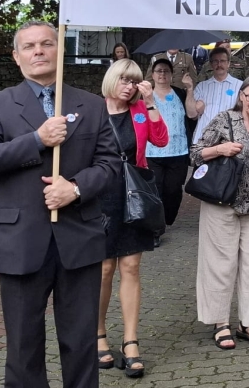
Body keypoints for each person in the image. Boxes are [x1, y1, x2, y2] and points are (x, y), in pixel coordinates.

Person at [0, 21, 117, 388]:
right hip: (20, 241)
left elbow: (111, 165)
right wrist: (36, 139)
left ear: (59, 51)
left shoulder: (91, 105)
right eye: (29, 46)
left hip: (79, 237)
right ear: (17, 57)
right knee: (23, 345)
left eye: (47, 44)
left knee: (81, 342)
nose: (38, 51)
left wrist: (75, 189)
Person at [189, 75, 249, 350]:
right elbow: (195, 153)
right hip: (223, 203)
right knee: (222, 264)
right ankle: (220, 322)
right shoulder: (224, 120)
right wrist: (221, 149)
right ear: (241, 95)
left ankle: (246, 321)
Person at [95, 58, 169, 379]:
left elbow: (161, 140)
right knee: (104, 270)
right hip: (100, 198)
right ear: (112, 79)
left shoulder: (139, 110)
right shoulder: (92, 111)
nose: (129, 86)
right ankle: (98, 334)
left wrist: (151, 102)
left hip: (132, 196)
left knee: (131, 267)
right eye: (124, 79)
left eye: (135, 81)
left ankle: (130, 341)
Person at [146, 57, 198, 235]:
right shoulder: (145, 96)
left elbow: (192, 114)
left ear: (171, 74)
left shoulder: (179, 94)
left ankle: (166, 219)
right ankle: (156, 228)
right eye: (158, 71)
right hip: (152, 153)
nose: (162, 74)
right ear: (153, 74)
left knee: (173, 190)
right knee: (155, 191)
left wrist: (189, 89)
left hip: (178, 151)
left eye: (166, 71)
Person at [192, 46, 243, 144]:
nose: (219, 64)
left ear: (228, 63)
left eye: (222, 61)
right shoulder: (202, 86)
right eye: (215, 61)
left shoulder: (240, 86)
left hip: (229, 139)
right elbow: (193, 115)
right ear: (211, 64)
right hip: (203, 138)